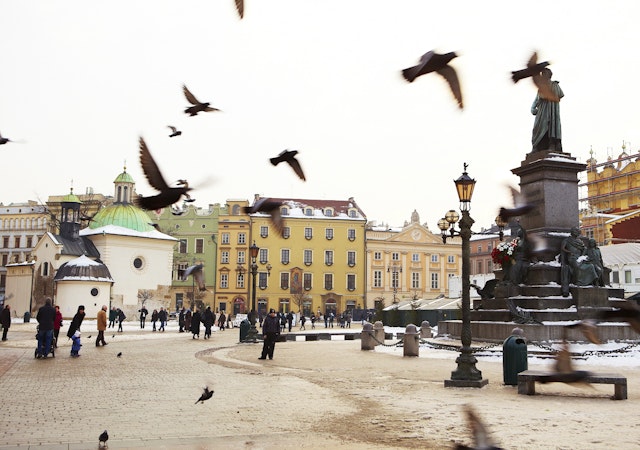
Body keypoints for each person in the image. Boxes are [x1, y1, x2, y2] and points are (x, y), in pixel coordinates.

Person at [531, 68, 563, 152]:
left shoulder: (554, 85)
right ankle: (537, 146)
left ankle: (552, 144)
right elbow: (537, 98)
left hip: (551, 110)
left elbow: (559, 94)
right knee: (537, 128)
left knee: (551, 126)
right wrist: (533, 107)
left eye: (543, 75)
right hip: (542, 110)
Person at [560, 227, 598, 297]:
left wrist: (583, 255)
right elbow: (563, 248)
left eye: (578, 231)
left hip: (579, 257)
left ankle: (592, 281)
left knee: (591, 266)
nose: (578, 232)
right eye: (576, 231)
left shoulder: (580, 241)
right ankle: (579, 282)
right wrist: (569, 252)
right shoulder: (567, 240)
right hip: (572, 258)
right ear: (572, 232)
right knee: (577, 266)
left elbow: (584, 248)